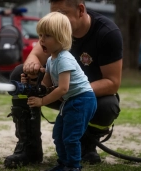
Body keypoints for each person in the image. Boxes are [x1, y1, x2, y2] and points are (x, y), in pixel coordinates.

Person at [5, 0, 123, 169]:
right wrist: (32, 67)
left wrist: (67, 91)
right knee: (19, 73)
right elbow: (35, 55)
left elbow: (112, 83)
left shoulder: (107, 33)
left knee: (108, 106)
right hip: (59, 90)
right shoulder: (54, 30)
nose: (56, 18)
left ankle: (86, 146)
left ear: (80, 10)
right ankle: (29, 148)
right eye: (53, 13)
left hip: (84, 96)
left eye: (62, 13)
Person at [22, 12, 97, 171]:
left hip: (82, 100)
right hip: (71, 101)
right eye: (40, 35)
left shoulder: (64, 59)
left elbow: (63, 88)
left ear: (61, 38)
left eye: (47, 35)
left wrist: (42, 102)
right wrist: (31, 81)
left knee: (71, 137)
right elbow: (44, 86)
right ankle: (63, 164)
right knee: (58, 135)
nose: (41, 39)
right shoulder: (51, 60)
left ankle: (73, 166)